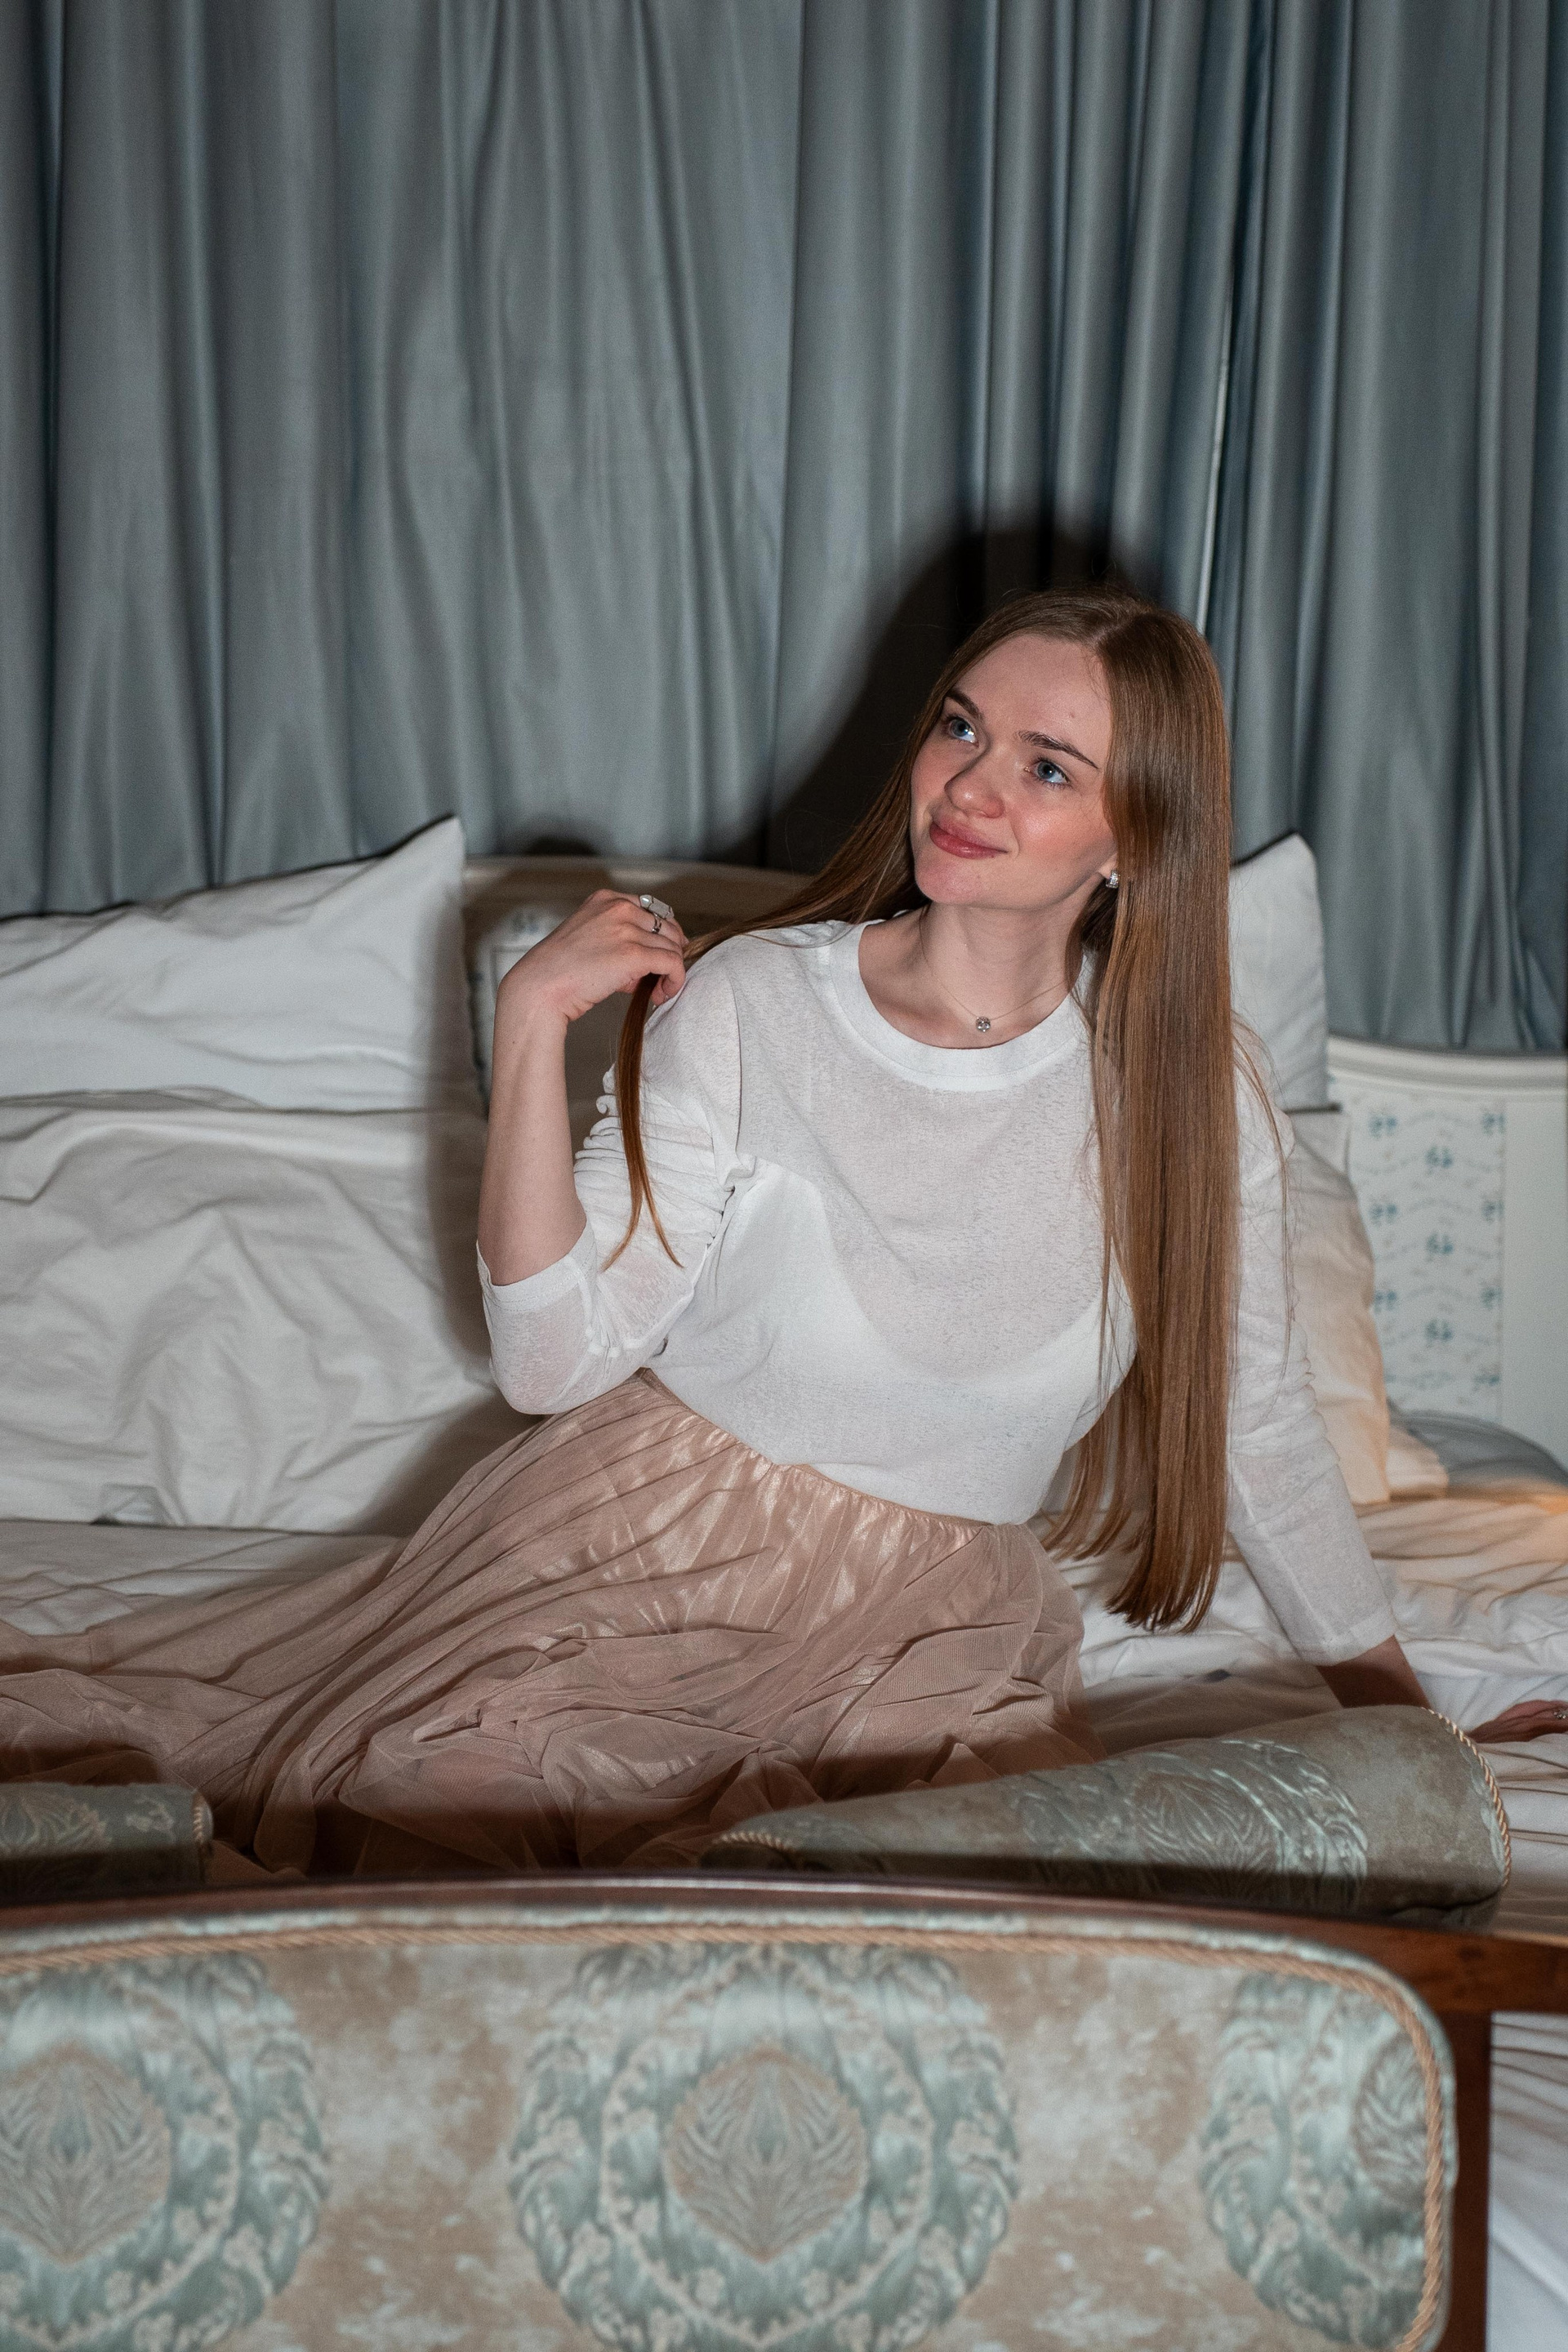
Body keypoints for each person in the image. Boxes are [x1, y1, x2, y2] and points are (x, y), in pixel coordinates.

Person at [0, 586, 1557, 1873]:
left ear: (1134, 842)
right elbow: (551, 1366)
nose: (970, 786)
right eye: (961, 727)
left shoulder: (1193, 1093)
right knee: (453, 1819)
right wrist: (534, 1023)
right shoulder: (760, 1005)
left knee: (901, 1924)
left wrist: (1399, 1715)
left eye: (1046, 767)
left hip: (938, 1639)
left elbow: (1257, 1426)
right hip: (635, 1563)